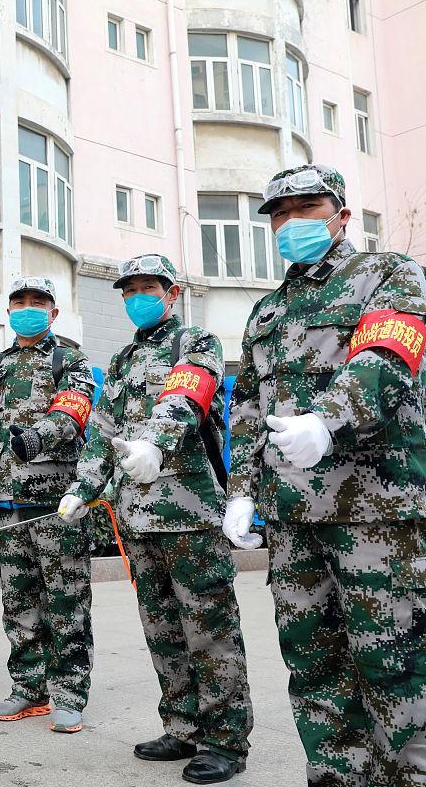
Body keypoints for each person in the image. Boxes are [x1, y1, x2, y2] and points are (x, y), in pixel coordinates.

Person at [224, 164, 426, 786]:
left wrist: (329, 420)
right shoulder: (266, 311)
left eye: (305, 207)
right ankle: (339, 777)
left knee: (393, 661)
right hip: (293, 519)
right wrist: (240, 493)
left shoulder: (388, 275)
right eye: (278, 215)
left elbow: (387, 356)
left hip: (375, 510)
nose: (290, 223)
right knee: (312, 662)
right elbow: (248, 409)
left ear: (340, 214)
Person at [60, 255, 253, 783]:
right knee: (163, 627)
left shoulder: (194, 343)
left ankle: (224, 740)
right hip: (137, 519)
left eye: (149, 288)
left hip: (187, 513)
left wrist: (154, 442)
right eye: (130, 290)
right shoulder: (122, 360)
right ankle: (183, 726)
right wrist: (82, 487)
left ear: (171, 293)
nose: (138, 297)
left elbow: (185, 399)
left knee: (209, 628)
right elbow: (102, 430)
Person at [0, 277, 97, 733]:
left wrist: (39, 435)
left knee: (66, 598)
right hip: (7, 503)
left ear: (53, 312)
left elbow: (74, 410)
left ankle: (70, 693)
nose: (28, 308)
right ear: (8, 310)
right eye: (19, 301)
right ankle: (28, 687)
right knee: (18, 599)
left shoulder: (69, 359)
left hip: (56, 501)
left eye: (38, 302)